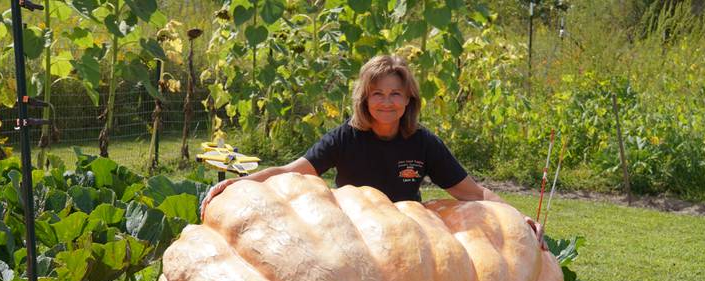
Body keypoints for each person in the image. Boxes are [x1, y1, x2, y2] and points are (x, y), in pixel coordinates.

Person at [200, 55, 545, 248]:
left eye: (396, 94)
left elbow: (470, 191)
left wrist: (515, 216)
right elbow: (293, 170)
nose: (386, 102)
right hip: (351, 239)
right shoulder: (345, 138)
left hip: (407, 239)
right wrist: (242, 182)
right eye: (377, 93)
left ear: (409, 99)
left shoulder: (423, 142)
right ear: (365, 98)